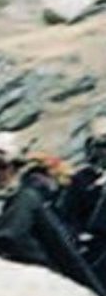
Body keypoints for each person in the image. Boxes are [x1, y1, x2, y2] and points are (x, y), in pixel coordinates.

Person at [0, 133, 105, 296]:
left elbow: (58, 245)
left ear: (14, 168)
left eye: (2, 167)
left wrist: (94, 290)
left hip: (28, 268)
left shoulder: (27, 199)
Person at [57, 117, 106, 273]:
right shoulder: (82, 179)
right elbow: (67, 215)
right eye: (102, 145)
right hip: (94, 249)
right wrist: (77, 236)